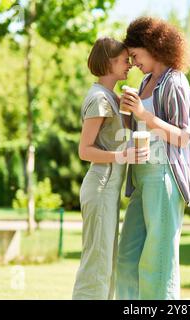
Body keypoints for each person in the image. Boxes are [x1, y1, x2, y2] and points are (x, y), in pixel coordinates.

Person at [116, 17, 190, 300]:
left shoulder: (175, 82)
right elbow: (140, 127)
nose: (134, 63)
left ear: (153, 47)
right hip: (140, 176)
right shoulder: (145, 83)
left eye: (136, 55)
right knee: (126, 259)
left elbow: (183, 136)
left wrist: (142, 114)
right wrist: (125, 112)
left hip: (164, 176)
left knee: (157, 264)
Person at [72, 37, 149, 300]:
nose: (129, 65)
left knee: (106, 262)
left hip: (108, 190)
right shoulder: (99, 100)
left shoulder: (110, 97)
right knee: (97, 264)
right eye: (123, 60)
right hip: (101, 186)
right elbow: (85, 150)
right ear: (108, 63)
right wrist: (123, 155)